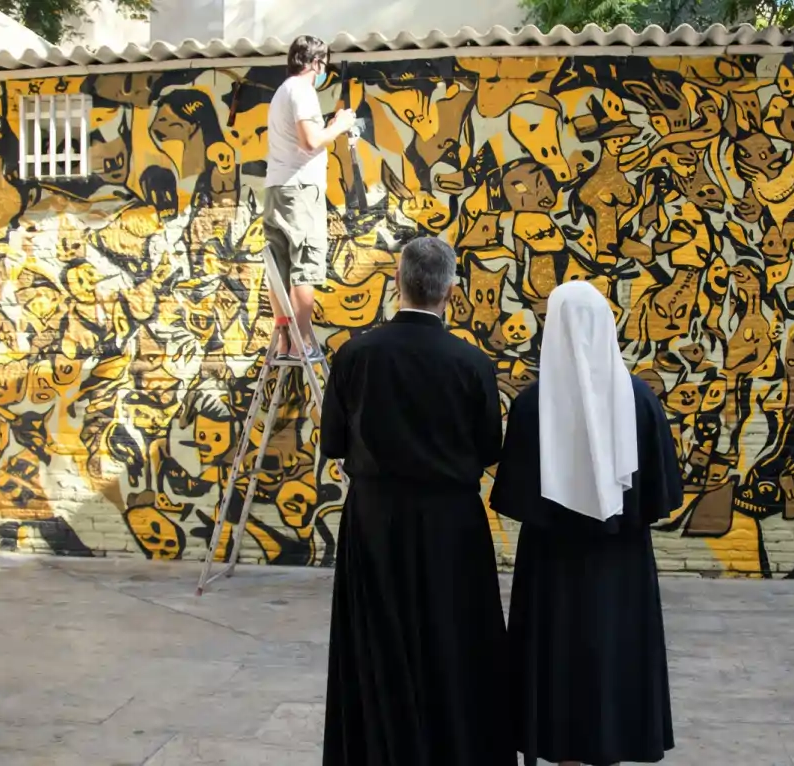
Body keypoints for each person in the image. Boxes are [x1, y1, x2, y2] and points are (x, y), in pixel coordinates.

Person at [319, 237, 514, 766]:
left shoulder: (355, 354)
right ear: (451, 290)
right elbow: (488, 450)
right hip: (452, 523)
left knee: (375, 642)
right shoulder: (472, 364)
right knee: (453, 641)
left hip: (374, 521)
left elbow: (333, 443)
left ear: (396, 283)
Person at [490, 280, 682, 766]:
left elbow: (512, 494)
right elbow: (663, 494)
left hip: (552, 568)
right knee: (614, 656)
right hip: (623, 564)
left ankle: (564, 753)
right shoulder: (640, 399)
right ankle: (610, 749)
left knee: (556, 662)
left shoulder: (533, 405)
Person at [264, 35, 354, 360]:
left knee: (279, 266)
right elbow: (311, 142)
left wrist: (326, 128)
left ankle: (285, 339)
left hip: (277, 188)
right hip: (301, 190)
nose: (323, 72)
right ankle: (303, 341)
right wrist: (340, 125)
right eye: (323, 65)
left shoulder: (281, 92)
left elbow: (301, 138)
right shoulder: (302, 90)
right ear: (315, 63)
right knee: (304, 267)